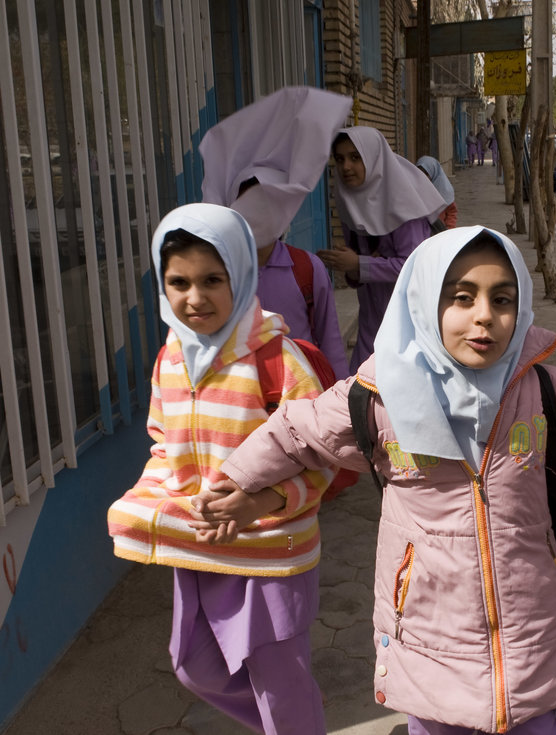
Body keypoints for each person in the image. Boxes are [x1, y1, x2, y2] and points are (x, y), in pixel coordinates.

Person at [215, 226, 556, 735]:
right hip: (427, 640)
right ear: (423, 302)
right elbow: (295, 430)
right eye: (461, 297)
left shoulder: (554, 396)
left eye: (502, 299)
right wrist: (238, 481)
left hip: (530, 643)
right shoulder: (377, 398)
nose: (485, 315)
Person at [106, 203, 334, 734]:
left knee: (281, 684)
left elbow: (325, 456)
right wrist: (147, 508)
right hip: (201, 547)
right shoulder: (171, 358)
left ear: (242, 274)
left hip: (272, 554)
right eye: (178, 282)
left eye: (213, 279)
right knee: (195, 667)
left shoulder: (277, 359)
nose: (195, 297)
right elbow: (163, 445)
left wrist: (260, 500)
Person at [199, 86, 353, 380]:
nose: (258, 216)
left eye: (269, 203)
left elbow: (331, 342)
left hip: (301, 399)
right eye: (250, 202)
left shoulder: (307, 269)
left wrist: (340, 400)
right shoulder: (218, 273)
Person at [319, 126, 446, 372]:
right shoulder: (349, 200)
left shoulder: (402, 204)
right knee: (363, 388)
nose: (346, 167)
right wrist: (349, 265)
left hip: (410, 318)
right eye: (340, 159)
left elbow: (414, 266)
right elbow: (360, 265)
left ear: (373, 158)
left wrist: (359, 264)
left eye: (355, 157)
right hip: (372, 316)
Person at [416, 155, 458, 229]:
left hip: (440, 231)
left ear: (433, 172)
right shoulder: (414, 189)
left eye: (426, 173)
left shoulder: (445, 191)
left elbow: (451, 212)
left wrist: (449, 229)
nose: (423, 176)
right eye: (420, 173)